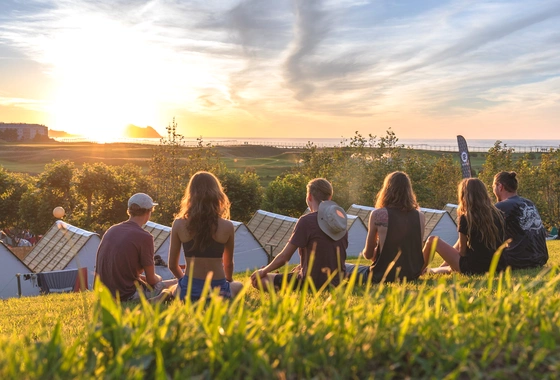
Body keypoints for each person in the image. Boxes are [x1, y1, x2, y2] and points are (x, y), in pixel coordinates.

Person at [251, 178, 348, 291]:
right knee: (296, 270)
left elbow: (284, 257)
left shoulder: (306, 221)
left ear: (309, 197)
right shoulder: (341, 221)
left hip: (311, 284)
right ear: (330, 198)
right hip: (338, 282)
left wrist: (264, 270)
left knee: (259, 280)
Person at [167, 171, 243, 302]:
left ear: (190, 195)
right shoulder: (227, 226)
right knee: (239, 286)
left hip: (188, 290)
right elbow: (228, 264)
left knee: (173, 288)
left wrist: (183, 282)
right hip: (218, 290)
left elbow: (172, 265)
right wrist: (228, 282)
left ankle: (166, 293)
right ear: (217, 194)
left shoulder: (178, 224)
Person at [346, 171, 426, 283]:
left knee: (341, 266)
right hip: (411, 274)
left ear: (386, 190)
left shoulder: (378, 214)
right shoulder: (420, 216)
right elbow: (415, 249)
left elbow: (368, 254)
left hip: (382, 275)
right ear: (409, 191)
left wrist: (377, 252)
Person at [95, 193, 176, 302]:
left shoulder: (112, 230)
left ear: (129, 211)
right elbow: (152, 280)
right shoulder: (145, 237)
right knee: (177, 284)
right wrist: (159, 279)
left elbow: (121, 271)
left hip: (103, 294)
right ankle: (159, 297)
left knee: (165, 284)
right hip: (126, 295)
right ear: (149, 212)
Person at [423, 178, 507, 274]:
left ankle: (417, 271)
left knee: (432, 240)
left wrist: (453, 262)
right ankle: (432, 270)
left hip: (474, 267)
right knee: (452, 262)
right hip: (498, 266)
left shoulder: (467, 218)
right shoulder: (499, 215)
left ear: (464, 195)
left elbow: (462, 252)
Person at [493, 171, 548, 269]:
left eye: (493, 186)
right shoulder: (529, 203)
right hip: (541, 258)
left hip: (518, 261)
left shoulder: (501, 206)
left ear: (500, 186)